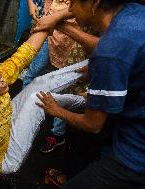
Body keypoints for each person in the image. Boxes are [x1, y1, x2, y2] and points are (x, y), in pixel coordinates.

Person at [0, 9, 88, 188]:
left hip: (5, 131)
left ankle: (90, 67)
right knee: (36, 99)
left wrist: (47, 25)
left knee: (38, 82)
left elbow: (23, 55)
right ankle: (86, 101)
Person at [35, 0, 145, 188]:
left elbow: (93, 124)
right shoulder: (135, 12)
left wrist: (56, 110)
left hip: (136, 151)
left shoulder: (109, 52)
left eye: (73, 3)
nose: (69, 9)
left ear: (94, 4)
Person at [26, 0, 99, 153]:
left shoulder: (113, 35)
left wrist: (57, 19)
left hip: (75, 34)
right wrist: (34, 5)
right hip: (52, 25)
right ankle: (23, 110)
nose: (71, 6)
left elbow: (94, 124)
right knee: (33, 72)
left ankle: (57, 134)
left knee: (69, 83)